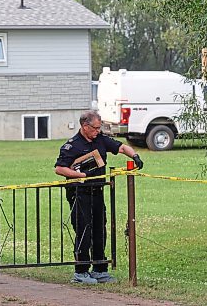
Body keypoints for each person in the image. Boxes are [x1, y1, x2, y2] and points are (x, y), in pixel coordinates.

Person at [54, 110, 144, 284]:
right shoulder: (72, 145)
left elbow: (122, 147)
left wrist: (134, 155)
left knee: (99, 230)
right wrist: (82, 176)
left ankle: (100, 269)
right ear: (84, 126)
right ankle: (81, 272)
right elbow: (59, 168)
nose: (97, 131)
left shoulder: (100, 139)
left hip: (97, 192)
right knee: (84, 230)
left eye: (99, 127)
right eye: (95, 128)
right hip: (79, 194)